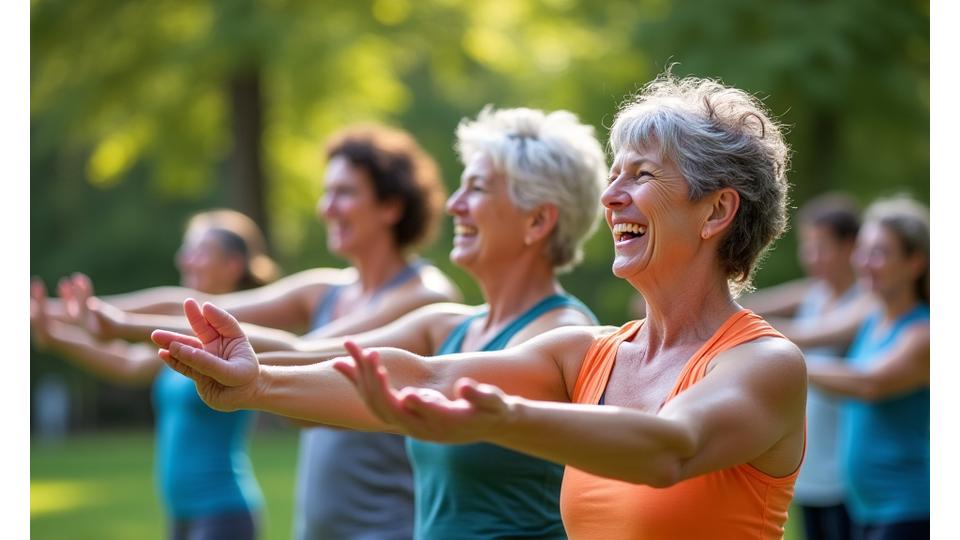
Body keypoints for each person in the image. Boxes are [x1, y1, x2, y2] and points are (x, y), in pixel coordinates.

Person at [154, 72, 807, 539]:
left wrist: (502, 418)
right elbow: (429, 374)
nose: (612, 197)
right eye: (614, 174)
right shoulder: (588, 354)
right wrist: (259, 382)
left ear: (717, 210)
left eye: (641, 175)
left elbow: (671, 447)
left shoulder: (765, 365)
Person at [148, 106, 608, 539]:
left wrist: (257, 383)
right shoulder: (448, 327)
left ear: (538, 220)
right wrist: (241, 366)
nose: (454, 205)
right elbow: (319, 354)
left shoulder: (558, 333)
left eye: (478, 189)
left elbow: (425, 377)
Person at [62, 124, 463, 540]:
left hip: (390, 527)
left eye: (344, 193)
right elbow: (199, 306)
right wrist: (74, 315)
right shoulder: (323, 289)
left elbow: (308, 351)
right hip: (318, 528)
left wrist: (123, 325)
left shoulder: (425, 295)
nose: (327, 208)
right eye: (327, 193)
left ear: (391, 206)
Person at [31, 209, 279, 540]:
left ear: (233, 265)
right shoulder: (193, 333)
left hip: (223, 513)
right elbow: (127, 363)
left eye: (199, 251)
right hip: (182, 516)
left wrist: (80, 313)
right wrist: (56, 336)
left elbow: (165, 305)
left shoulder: (239, 337)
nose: (184, 260)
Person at [741, 193, 874, 540]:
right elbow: (751, 304)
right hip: (811, 469)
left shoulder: (866, 299)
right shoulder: (815, 292)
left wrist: (737, 327)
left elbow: (806, 335)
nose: (812, 257)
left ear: (851, 247)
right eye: (808, 246)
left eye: (822, 247)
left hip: (845, 475)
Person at [805, 196, 930, 540]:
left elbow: (869, 383)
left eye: (880, 253)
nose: (863, 263)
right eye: (862, 250)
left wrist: (786, 364)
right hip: (865, 509)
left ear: (915, 262)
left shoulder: (923, 333)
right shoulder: (871, 315)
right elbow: (808, 333)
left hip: (910, 510)